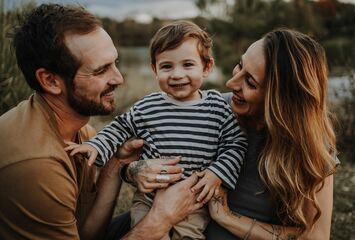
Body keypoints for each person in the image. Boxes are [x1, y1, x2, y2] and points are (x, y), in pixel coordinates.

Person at [0, 4, 203, 240]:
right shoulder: (37, 164)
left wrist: (118, 162)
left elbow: (86, 232)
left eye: (115, 63)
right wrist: (161, 219)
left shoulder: (80, 133)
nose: (119, 78)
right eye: (101, 70)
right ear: (50, 81)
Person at [123, 28, 339, 239]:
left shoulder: (312, 148)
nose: (231, 83)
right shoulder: (215, 109)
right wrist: (134, 171)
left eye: (250, 82)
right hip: (153, 220)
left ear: (280, 101)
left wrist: (226, 217)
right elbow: (130, 153)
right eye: (240, 65)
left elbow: (316, 236)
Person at [66, 20, 247, 239]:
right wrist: (96, 144)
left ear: (207, 67)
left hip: (194, 201)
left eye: (187, 65)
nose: (177, 74)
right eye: (167, 66)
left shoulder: (217, 107)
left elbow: (236, 144)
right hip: (149, 198)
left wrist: (217, 173)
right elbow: (120, 127)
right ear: (154, 69)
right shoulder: (149, 106)